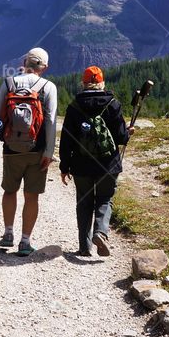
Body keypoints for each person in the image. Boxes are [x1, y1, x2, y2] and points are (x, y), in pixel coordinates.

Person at [0, 48, 57, 257]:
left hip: (11, 149)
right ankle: (25, 241)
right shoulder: (48, 87)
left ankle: (7, 234)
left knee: (10, 191)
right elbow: (50, 121)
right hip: (37, 149)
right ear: (44, 67)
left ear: (25, 62)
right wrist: (49, 151)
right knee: (31, 196)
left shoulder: (8, 83)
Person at [59, 66, 133, 257]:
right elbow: (121, 138)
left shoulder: (74, 106)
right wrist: (128, 132)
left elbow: (67, 139)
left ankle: (84, 247)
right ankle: (100, 232)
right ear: (101, 82)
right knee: (104, 198)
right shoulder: (113, 104)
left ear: (83, 83)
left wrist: (64, 167)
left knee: (83, 202)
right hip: (108, 165)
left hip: (81, 165)